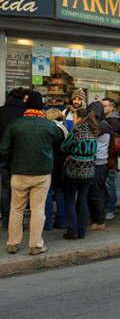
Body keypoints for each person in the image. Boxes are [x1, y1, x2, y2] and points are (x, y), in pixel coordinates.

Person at [0, 92, 62, 255]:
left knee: (16, 209)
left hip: (19, 172)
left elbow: (3, 149)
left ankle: (13, 243)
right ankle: (36, 245)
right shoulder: (49, 125)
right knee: (37, 209)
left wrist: (9, 164)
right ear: (42, 106)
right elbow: (59, 143)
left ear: (26, 106)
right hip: (42, 173)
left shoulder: (15, 124)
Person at [62, 108, 98, 239]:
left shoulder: (76, 132)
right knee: (83, 200)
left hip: (74, 169)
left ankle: (72, 230)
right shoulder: (93, 132)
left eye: (75, 116)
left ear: (79, 118)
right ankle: (82, 230)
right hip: (89, 170)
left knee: (70, 199)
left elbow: (64, 147)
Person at [0, 87, 28, 229]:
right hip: (21, 156)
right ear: (23, 99)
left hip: (3, 155)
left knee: (5, 188)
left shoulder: (1, 111)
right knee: (21, 191)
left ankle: (6, 220)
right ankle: (19, 221)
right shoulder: (25, 114)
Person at [86, 101, 112, 231]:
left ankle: (99, 220)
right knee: (96, 191)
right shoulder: (104, 123)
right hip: (100, 162)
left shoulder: (101, 125)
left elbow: (89, 137)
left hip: (99, 163)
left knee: (96, 192)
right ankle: (96, 218)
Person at [43, 108, 68, 231]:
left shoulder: (49, 129)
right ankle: (62, 220)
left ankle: (47, 222)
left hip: (50, 164)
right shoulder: (64, 128)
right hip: (61, 165)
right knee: (60, 193)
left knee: (47, 193)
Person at [101, 98, 120, 220]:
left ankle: (110, 209)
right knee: (106, 184)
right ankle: (108, 208)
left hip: (110, 158)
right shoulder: (107, 120)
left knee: (109, 184)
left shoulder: (113, 121)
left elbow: (114, 143)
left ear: (111, 108)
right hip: (108, 157)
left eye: (105, 106)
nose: (103, 108)